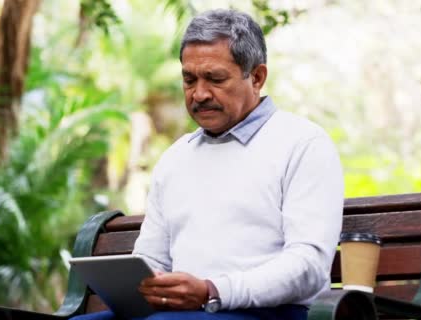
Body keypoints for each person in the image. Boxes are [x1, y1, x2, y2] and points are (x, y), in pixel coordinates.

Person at [73, 8, 343, 320]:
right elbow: (152, 258)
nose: (199, 94)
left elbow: (308, 265)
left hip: (273, 313)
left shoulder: (303, 144)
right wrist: (147, 284)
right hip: (183, 314)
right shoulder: (176, 157)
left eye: (215, 79)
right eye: (189, 80)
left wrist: (212, 291)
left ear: (256, 77)